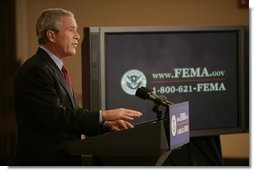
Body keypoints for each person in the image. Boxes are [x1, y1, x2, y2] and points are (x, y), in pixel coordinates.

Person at [14, 8, 142, 166]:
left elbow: (70, 116)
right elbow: (55, 116)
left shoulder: (54, 69)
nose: (77, 35)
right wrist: (104, 115)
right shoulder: (36, 70)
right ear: (51, 35)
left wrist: (104, 125)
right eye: (71, 30)